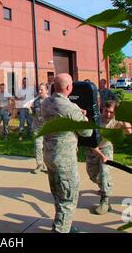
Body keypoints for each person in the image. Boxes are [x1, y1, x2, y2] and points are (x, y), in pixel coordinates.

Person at [42, 73, 93, 233]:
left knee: (58, 194)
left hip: (50, 156)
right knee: (68, 198)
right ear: (70, 88)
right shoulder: (70, 108)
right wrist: (83, 118)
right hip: (64, 159)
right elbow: (87, 132)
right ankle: (61, 229)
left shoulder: (46, 103)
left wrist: (78, 113)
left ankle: (63, 224)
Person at [85, 100, 132, 215]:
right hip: (93, 150)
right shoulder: (95, 120)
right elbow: (91, 145)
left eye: (111, 112)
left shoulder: (116, 120)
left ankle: (105, 200)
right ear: (102, 110)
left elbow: (129, 131)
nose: (108, 115)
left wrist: (124, 118)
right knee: (94, 176)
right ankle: (104, 190)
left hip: (106, 148)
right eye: (106, 111)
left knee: (105, 173)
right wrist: (101, 156)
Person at [25, 83, 49, 174]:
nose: (39, 91)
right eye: (38, 90)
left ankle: (49, 166)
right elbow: (34, 114)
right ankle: (40, 165)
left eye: (41, 90)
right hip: (37, 128)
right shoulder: (35, 101)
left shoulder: (50, 101)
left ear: (47, 90)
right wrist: (29, 110)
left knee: (48, 148)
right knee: (38, 147)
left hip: (48, 128)